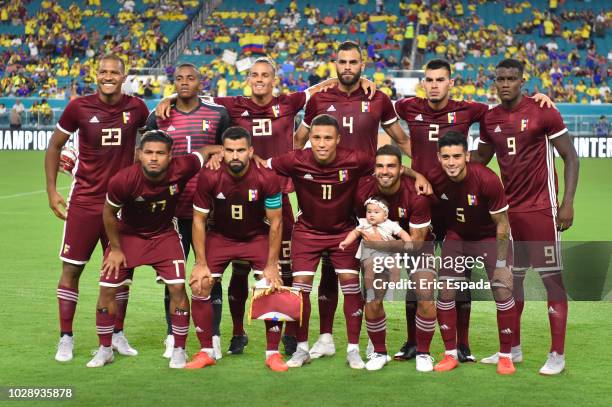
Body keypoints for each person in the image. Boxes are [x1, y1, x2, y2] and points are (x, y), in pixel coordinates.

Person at [156, 56, 376, 357]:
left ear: (275, 79)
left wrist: (363, 82)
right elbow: (194, 95)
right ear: (249, 79)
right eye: (254, 75)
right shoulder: (232, 105)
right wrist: (169, 96)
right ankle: (236, 333)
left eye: (265, 75)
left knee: (282, 270)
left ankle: (286, 337)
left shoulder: (289, 102)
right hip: (239, 193)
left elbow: (321, 87)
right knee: (239, 270)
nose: (259, 79)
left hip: (277, 195)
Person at [392, 58, 554, 362]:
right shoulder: (408, 107)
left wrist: (537, 100)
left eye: (441, 79)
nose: (435, 85)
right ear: (423, 83)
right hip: (422, 202)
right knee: (419, 277)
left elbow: (508, 104)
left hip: (456, 204)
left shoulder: (470, 109)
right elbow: (380, 111)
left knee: (459, 276)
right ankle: (413, 341)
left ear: (451, 82)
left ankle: (461, 346)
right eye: (429, 79)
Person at [293, 41, 416, 358]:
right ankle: (325, 339)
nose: (348, 67)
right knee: (329, 267)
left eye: (353, 62)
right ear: (335, 63)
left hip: (367, 193)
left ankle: (375, 345)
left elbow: (401, 139)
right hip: (329, 191)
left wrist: (425, 174)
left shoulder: (378, 98)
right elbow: (298, 142)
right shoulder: (319, 98)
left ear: (362, 64)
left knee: (373, 268)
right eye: (342, 62)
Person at [472, 58, 579, 375]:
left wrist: (567, 203)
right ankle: (512, 349)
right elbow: (480, 158)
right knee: (510, 282)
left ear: (522, 80)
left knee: (552, 282)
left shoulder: (543, 110)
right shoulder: (489, 119)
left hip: (542, 211)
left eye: (511, 78)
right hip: (508, 216)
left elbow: (571, 157)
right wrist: (442, 161)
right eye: (500, 78)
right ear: (495, 81)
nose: (505, 83)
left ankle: (557, 355)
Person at [44, 53, 149, 363]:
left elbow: (155, 135)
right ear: (96, 74)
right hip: (86, 202)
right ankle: (66, 338)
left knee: (121, 272)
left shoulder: (138, 108)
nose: (108, 76)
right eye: (103, 71)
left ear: (124, 75)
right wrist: (51, 190)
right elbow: (54, 146)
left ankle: (116, 333)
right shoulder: (78, 107)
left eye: (114, 72)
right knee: (72, 270)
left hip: (122, 205)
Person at [87, 130, 219, 368]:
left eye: (160, 153)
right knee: (107, 289)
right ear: (139, 154)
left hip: (164, 235)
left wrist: (221, 153)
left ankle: (179, 349)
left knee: (178, 287)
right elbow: (107, 213)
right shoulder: (123, 179)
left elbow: (207, 150)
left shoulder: (183, 166)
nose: (154, 158)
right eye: (148, 152)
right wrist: (115, 248)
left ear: (171, 156)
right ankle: (105, 349)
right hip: (128, 235)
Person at [267, 114, 373, 369]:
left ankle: (353, 349)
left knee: (350, 286)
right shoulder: (296, 160)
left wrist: (416, 175)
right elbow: (262, 164)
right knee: (300, 288)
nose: (322, 143)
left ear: (338, 139)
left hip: (344, 232)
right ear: (309, 140)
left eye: (328, 138)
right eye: (316, 138)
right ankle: (301, 348)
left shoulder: (356, 159)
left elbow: (385, 167)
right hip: (307, 232)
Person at [146, 62, 230, 359]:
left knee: (211, 276)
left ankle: (214, 336)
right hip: (172, 210)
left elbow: (230, 148)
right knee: (174, 278)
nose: (184, 82)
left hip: (210, 209)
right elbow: (143, 155)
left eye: (190, 78)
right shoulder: (159, 115)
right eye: (179, 78)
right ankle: (173, 334)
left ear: (200, 82)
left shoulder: (217, 114)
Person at [188, 126, 287, 372]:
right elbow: (198, 220)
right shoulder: (209, 175)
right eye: (230, 150)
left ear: (251, 151)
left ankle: (272, 354)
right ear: (222, 151)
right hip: (220, 237)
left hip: (255, 237)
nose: (235, 155)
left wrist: (272, 265)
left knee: (272, 285)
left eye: (241, 150)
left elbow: (276, 221)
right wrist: (200, 263)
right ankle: (206, 351)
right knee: (200, 283)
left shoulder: (267, 176)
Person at [425, 131, 517, 375]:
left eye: (457, 156)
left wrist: (500, 263)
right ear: (439, 158)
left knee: (502, 291)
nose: (452, 162)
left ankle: (506, 356)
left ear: (467, 155)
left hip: (489, 237)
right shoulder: (435, 177)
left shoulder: (486, 179)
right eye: (446, 157)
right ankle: (450, 354)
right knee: (445, 293)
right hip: (458, 237)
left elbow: (502, 224)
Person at [353, 144, 435, 371]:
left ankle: (424, 353)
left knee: (425, 293)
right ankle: (379, 352)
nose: (385, 171)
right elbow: (367, 233)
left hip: (416, 246)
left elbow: (416, 243)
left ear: (401, 169)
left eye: (391, 166)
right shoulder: (363, 192)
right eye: (380, 166)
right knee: (373, 297)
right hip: (381, 246)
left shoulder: (416, 195)